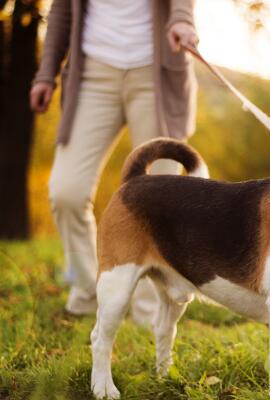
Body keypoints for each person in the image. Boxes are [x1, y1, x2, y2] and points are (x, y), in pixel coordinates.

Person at [30, 0, 199, 323]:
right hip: (92, 75)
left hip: (156, 73)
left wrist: (181, 19)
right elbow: (62, 12)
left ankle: (149, 311)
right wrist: (45, 74)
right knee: (67, 191)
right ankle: (92, 288)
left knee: (162, 201)